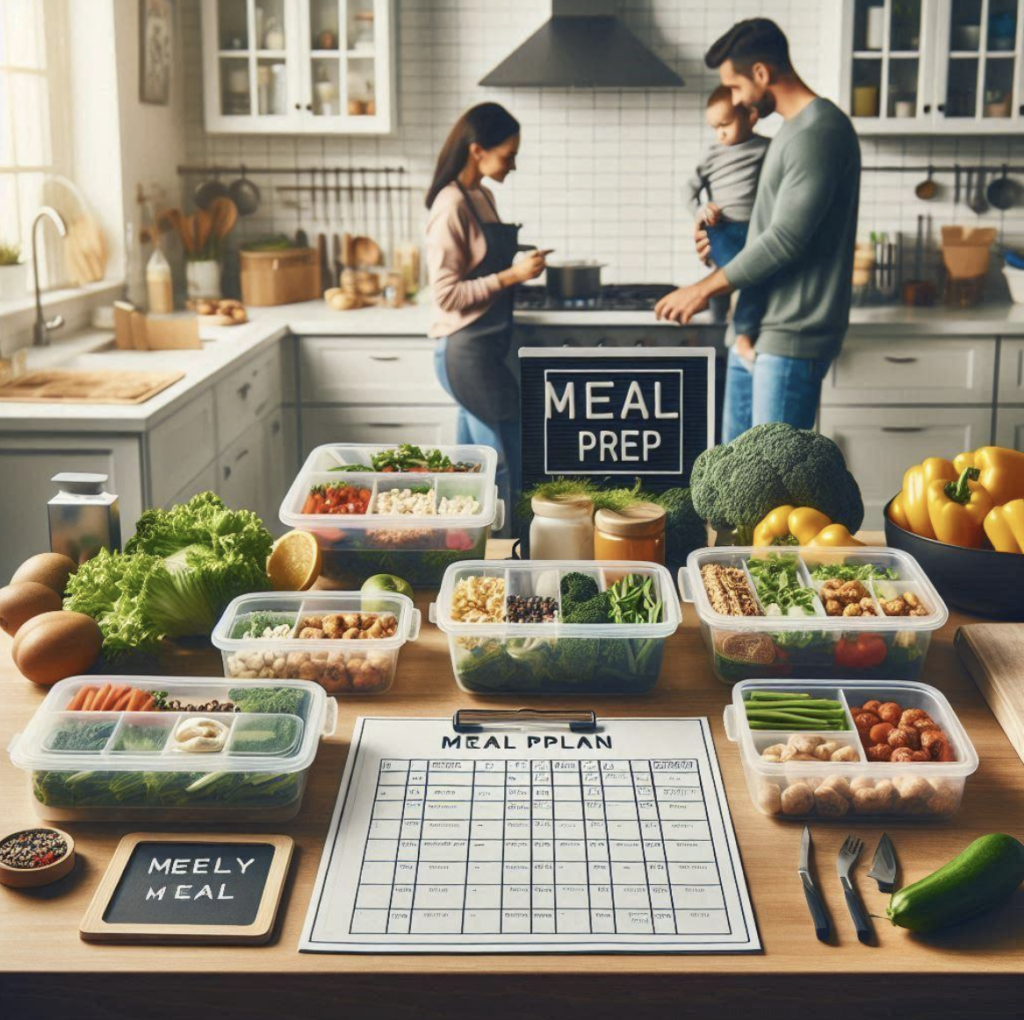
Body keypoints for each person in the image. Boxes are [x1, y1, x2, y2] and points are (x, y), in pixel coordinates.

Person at [656, 18, 861, 443]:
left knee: (772, 493)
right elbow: (762, 226)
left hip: (791, 336)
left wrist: (702, 289)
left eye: (734, 87)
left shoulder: (820, 132)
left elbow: (786, 239)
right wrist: (718, 240)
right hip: (758, 331)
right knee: (734, 484)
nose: (734, 98)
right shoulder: (790, 132)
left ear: (762, 74)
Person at [425, 102, 548, 515]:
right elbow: (446, 295)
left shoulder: (482, 196)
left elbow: (483, 265)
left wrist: (518, 265)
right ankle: (504, 553)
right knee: (499, 461)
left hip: (486, 347)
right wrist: (512, 277)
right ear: (478, 150)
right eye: (507, 155)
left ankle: (466, 548)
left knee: (471, 467)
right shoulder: (451, 206)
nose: (512, 165)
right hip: (465, 351)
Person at [684, 84, 770, 363]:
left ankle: (721, 316)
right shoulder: (712, 154)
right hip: (721, 227)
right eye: (714, 127)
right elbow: (687, 191)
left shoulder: (767, 148)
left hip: (754, 230)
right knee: (743, 272)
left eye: (725, 124)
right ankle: (743, 334)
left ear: (751, 116)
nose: (719, 132)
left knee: (746, 271)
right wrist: (700, 211)